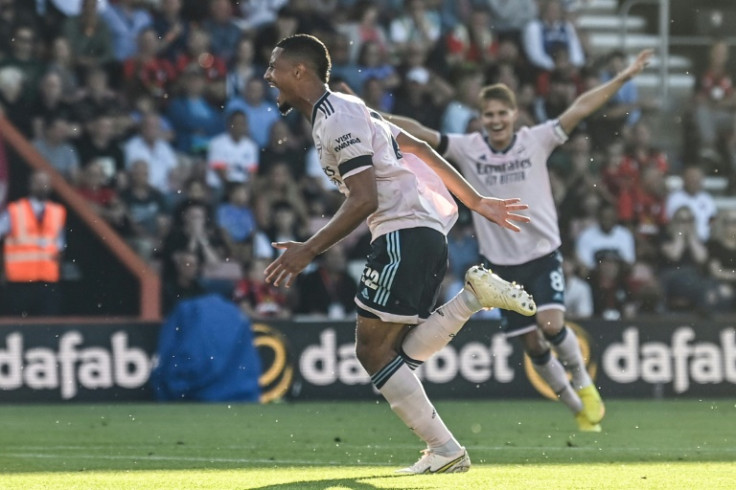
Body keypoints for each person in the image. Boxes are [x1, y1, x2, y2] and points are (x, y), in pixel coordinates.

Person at [263, 33, 535, 474]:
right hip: (421, 234)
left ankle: (446, 450)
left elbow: (365, 198)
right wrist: (477, 202)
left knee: (373, 353)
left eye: (274, 67)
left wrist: (309, 250)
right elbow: (420, 149)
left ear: (299, 71)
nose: (267, 76)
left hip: (400, 235)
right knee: (392, 355)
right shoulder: (350, 113)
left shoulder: (337, 117)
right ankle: (471, 300)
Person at [382, 48, 654, 433]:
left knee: (550, 323)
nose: (495, 121)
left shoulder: (536, 139)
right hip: (499, 263)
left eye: (502, 113)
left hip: (543, 253)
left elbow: (580, 107)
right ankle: (578, 408)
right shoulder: (468, 147)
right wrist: (368, 115)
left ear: (515, 115)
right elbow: (420, 134)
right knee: (532, 346)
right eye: (489, 115)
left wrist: (624, 77)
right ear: (481, 118)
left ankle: (584, 384)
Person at [0, 171, 66, 316]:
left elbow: (59, 247)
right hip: (20, 281)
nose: (42, 186)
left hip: (47, 280)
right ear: (30, 185)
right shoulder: (15, 210)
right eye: (38, 182)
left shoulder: (57, 212)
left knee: (48, 325)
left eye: (45, 182)